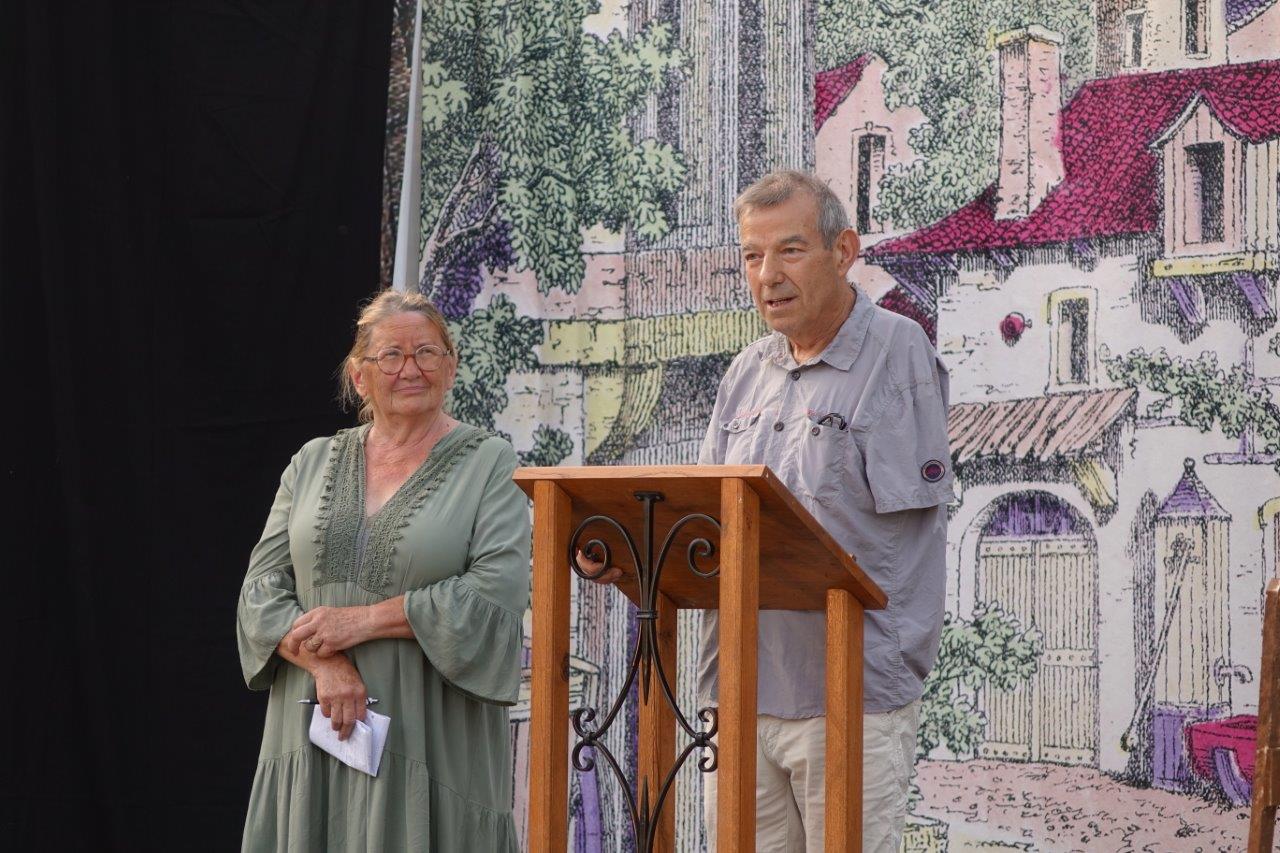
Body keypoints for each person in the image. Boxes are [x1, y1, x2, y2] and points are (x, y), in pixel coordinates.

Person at [582, 170, 952, 852]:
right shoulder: (745, 370)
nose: (767, 274)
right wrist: (630, 556)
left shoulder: (897, 352)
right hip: (739, 692)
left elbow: (899, 537)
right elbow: (702, 526)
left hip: (850, 693)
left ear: (843, 251)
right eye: (752, 255)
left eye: (790, 250)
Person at [236, 290, 529, 851]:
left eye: (427, 352)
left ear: (451, 365)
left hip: (431, 742)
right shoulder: (311, 461)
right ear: (359, 375)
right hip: (311, 731)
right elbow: (260, 592)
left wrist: (362, 622)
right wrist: (327, 665)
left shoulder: (490, 462)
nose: (410, 368)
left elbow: (495, 595)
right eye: (390, 355)